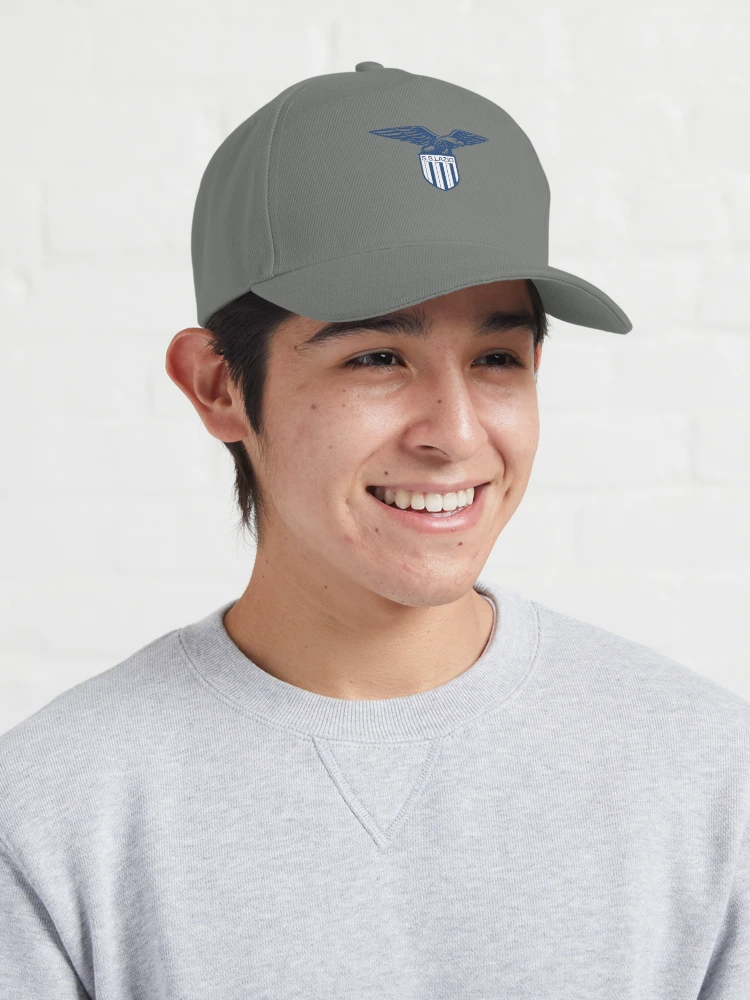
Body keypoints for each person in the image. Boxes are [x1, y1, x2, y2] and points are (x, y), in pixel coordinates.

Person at [1, 61, 748, 999]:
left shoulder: (711, 777)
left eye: (497, 358)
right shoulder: (51, 817)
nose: (457, 434)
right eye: (378, 357)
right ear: (219, 385)